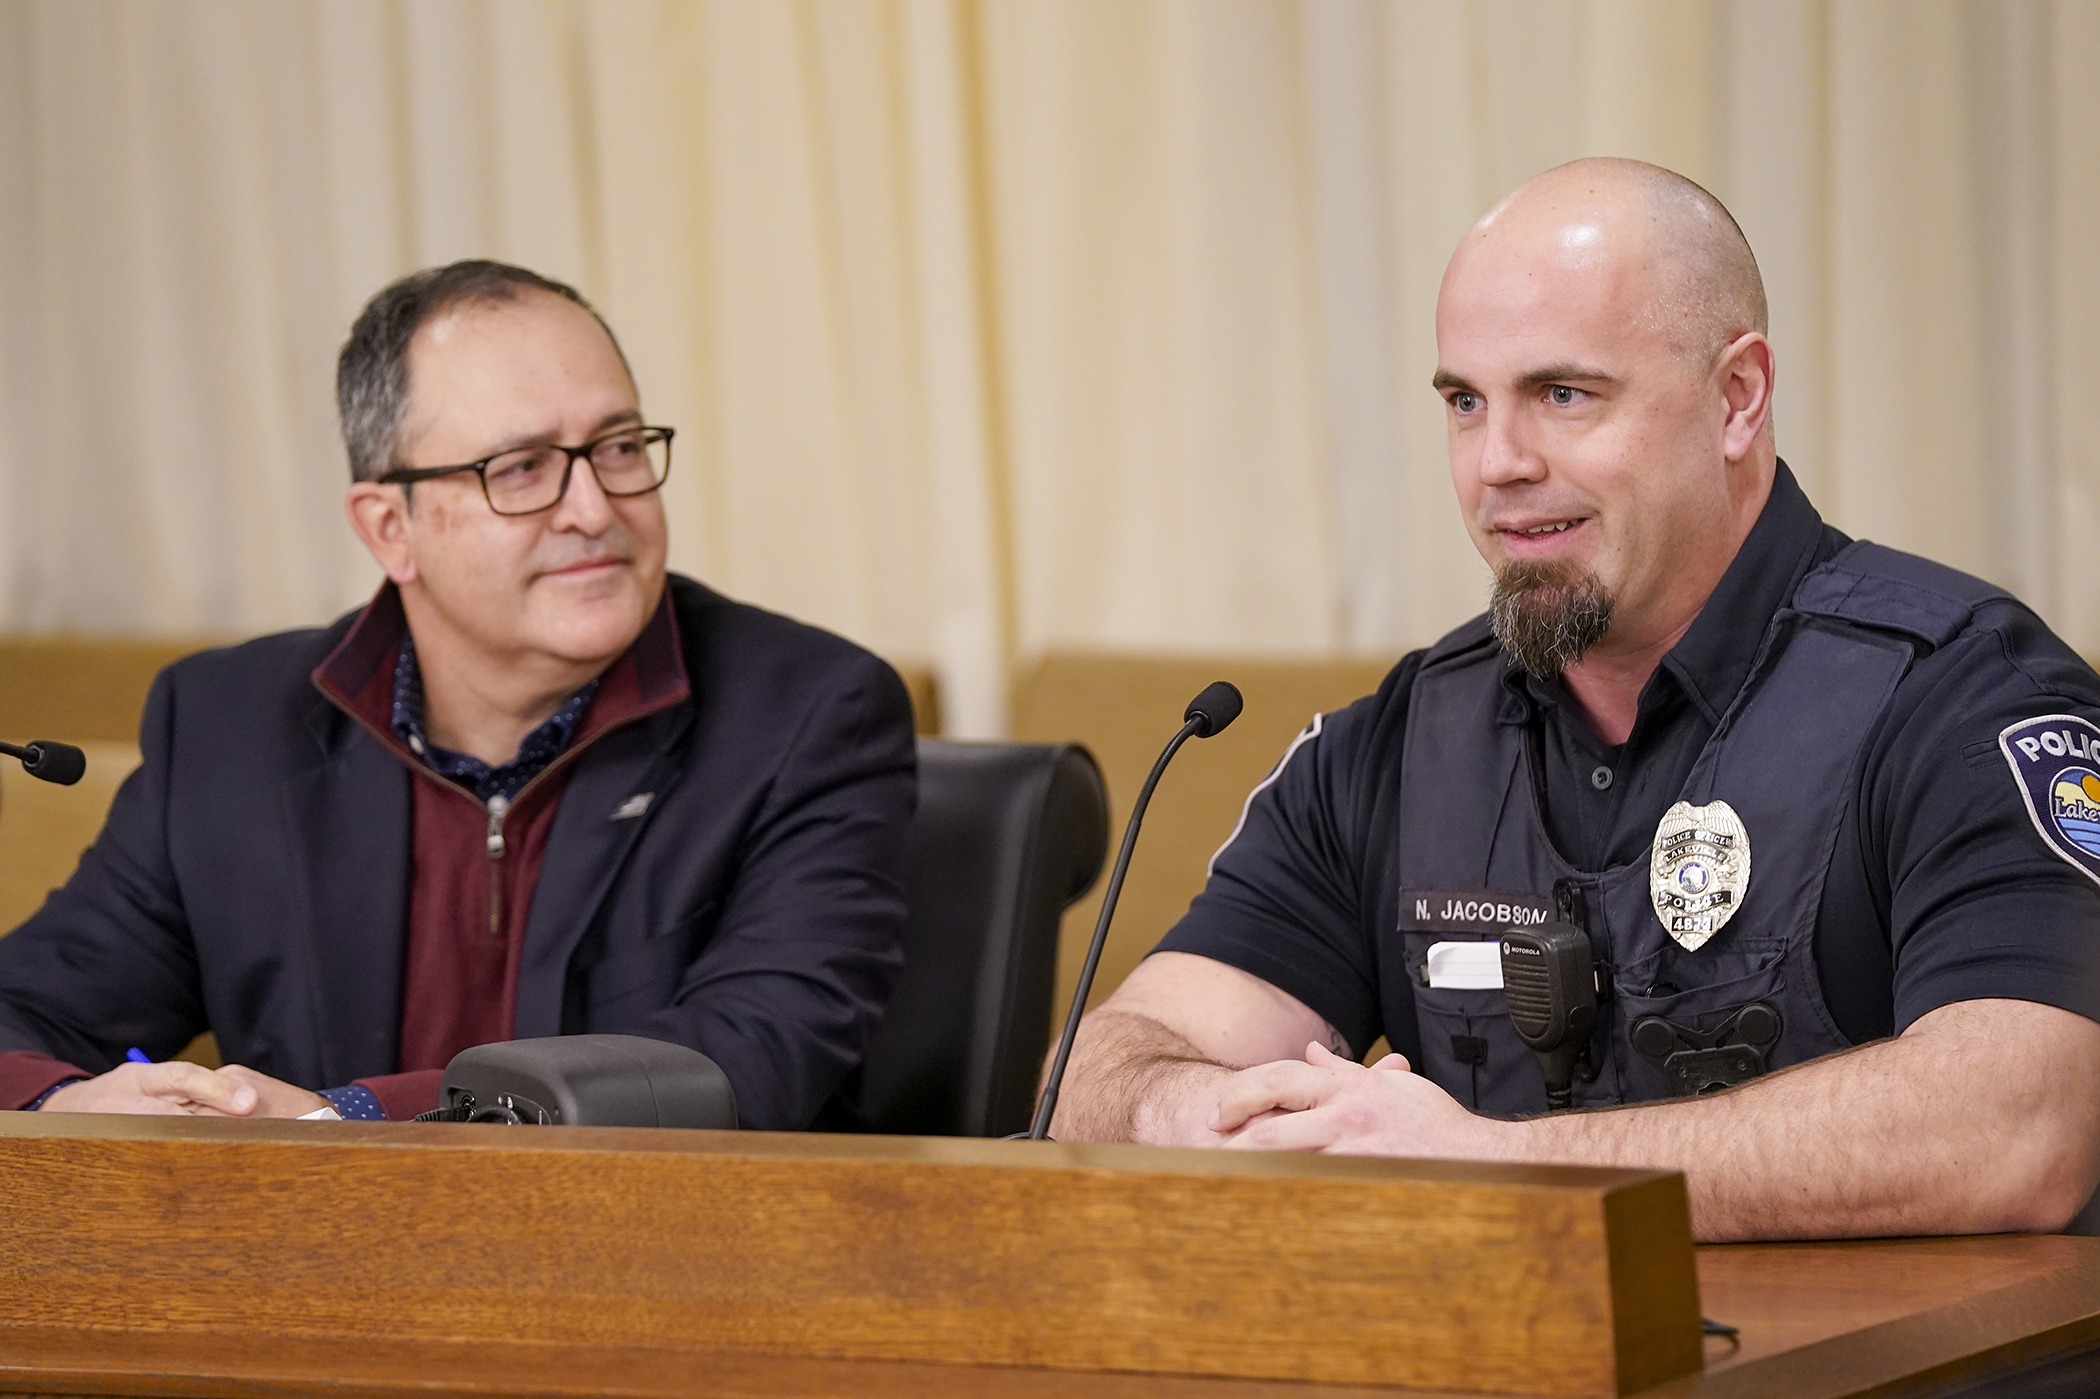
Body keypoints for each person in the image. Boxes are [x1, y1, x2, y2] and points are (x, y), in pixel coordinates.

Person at [1052, 158, 2100, 1241]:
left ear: (1737, 398)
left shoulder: (1960, 698)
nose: (1498, 462)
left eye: (1563, 395)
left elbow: (2022, 1125)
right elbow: (1089, 1076)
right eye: (1465, 402)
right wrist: (1209, 1113)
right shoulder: (1401, 744)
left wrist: (1491, 1162)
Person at [0, 260, 916, 1127]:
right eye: (520, 468)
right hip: (296, 1275)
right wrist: (68, 1102)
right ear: (390, 528)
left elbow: (744, 1052)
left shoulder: (808, 714)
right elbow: (28, 1008)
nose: (594, 508)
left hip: (655, 1268)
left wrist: (348, 1120)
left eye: (620, 447)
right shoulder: (229, 724)